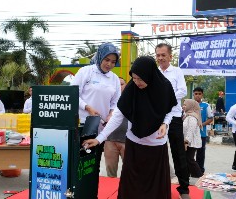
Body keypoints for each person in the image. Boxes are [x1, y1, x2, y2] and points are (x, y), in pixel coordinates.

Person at [83, 56, 177, 199]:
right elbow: (117, 116)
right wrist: (99, 139)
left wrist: (165, 123)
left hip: (156, 147)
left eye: (140, 79)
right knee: (133, 187)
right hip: (134, 145)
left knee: (154, 188)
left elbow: (172, 108)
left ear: (149, 75)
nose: (136, 82)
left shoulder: (164, 87)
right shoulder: (132, 90)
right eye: (134, 78)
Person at [70, 42, 121, 196]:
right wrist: (87, 107)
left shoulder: (114, 79)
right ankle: (76, 193)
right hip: (81, 126)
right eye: (107, 60)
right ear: (100, 57)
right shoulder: (86, 72)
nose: (109, 64)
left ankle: (91, 194)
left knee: (93, 164)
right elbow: (72, 94)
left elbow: (116, 102)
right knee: (78, 163)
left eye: (113, 62)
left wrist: (112, 113)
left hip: (99, 129)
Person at [155, 43, 190, 199]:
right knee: (156, 152)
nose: (160, 58)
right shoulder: (154, 73)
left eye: (163, 55)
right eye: (158, 55)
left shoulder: (177, 71)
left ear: (170, 56)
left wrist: (166, 100)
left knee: (178, 154)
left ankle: (184, 189)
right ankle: (158, 185)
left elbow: (182, 90)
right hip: (157, 118)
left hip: (174, 118)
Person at [103, 77, 127, 177]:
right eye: (117, 84)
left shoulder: (132, 99)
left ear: (126, 85)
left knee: (129, 172)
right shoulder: (107, 101)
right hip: (110, 140)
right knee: (110, 173)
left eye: (121, 84)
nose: (119, 86)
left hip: (127, 141)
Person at [192, 87, 213, 174]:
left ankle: (200, 170)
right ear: (193, 94)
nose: (197, 95)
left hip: (202, 134)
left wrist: (202, 124)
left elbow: (211, 118)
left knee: (200, 154)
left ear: (202, 95)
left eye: (199, 94)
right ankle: (192, 170)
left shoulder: (206, 106)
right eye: (196, 94)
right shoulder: (189, 104)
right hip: (191, 134)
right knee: (190, 154)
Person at [182, 99, 203, 178]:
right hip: (189, 141)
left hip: (191, 142)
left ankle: (199, 175)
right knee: (187, 159)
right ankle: (191, 175)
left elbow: (191, 130)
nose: (183, 106)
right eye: (183, 104)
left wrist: (186, 142)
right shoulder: (187, 115)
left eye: (185, 105)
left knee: (189, 159)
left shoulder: (192, 117)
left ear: (191, 106)